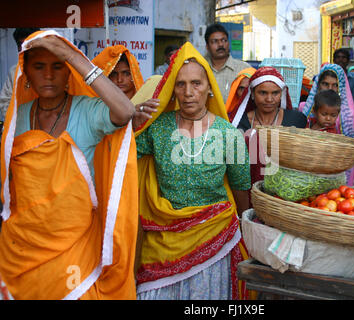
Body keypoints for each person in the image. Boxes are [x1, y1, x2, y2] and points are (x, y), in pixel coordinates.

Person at [0, 30, 139, 300]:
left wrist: (72, 56)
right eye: (39, 67)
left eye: (58, 66)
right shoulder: (16, 119)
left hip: (76, 248)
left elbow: (125, 111)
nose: (49, 75)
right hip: (21, 249)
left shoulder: (87, 111)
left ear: (69, 72)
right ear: (25, 73)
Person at [132, 42, 252, 300]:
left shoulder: (228, 135)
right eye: (180, 84)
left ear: (209, 87)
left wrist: (246, 232)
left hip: (214, 240)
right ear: (171, 89)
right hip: (162, 243)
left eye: (196, 83)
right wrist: (132, 122)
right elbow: (123, 159)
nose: (188, 92)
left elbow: (242, 188)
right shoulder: (157, 127)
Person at [229, 66, 307, 185]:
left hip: (285, 189)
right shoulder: (238, 123)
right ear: (253, 94)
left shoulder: (296, 120)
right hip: (246, 188)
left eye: (275, 93)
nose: (269, 99)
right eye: (263, 93)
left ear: (282, 94)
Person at [299, 63, 354, 185]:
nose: (330, 89)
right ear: (318, 84)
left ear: (340, 87)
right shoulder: (304, 109)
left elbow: (348, 148)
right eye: (325, 84)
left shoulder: (347, 114)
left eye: (335, 85)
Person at [0, 28, 40, 122]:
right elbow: (4, 101)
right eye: (20, 45)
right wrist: (20, 121)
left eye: (28, 43)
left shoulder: (49, 69)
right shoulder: (14, 72)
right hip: (19, 127)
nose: (24, 48)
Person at [204, 23, 251, 103]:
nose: (221, 44)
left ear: (228, 43)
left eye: (224, 40)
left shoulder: (244, 69)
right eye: (215, 41)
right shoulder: (199, 68)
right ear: (207, 47)